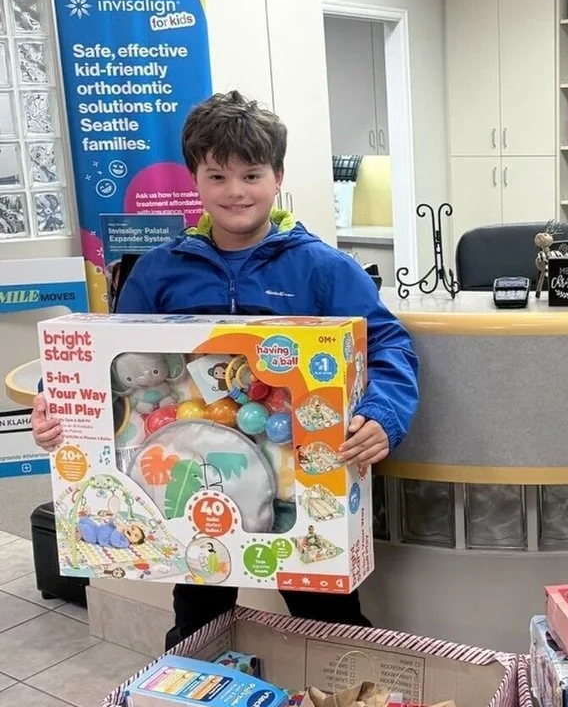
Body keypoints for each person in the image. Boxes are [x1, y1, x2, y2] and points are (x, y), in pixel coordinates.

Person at [32, 90, 419, 648]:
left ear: (278, 176)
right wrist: (60, 402)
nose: (235, 191)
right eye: (217, 176)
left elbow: (388, 346)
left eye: (252, 175)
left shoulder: (324, 268)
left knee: (328, 620)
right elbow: (104, 349)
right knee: (197, 617)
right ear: (195, 180)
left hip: (300, 482)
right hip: (189, 473)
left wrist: (383, 413)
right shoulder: (161, 272)